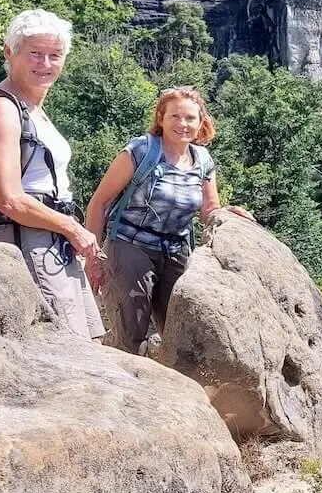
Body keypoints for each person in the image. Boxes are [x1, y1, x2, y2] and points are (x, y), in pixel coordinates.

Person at [0, 9, 106, 341]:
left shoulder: (32, 110)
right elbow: (10, 200)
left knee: (90, 341)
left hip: (50, 237)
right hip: (25, 240)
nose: (45, 63)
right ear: (9, 52)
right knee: (66, 344)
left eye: (54, 55)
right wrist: (73, 228)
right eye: (35, 53)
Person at [85, 86, 251, 354]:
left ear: (201, 123)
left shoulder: (202, 160)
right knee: (130, 337)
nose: (182, 124)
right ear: (161, 118)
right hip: (130, 246)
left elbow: (209, 208)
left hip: (176, 252)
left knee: (180, 336)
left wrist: (227, 214)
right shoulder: (141, 151)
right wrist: (93, 257)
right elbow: (100, 202)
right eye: (175, 116)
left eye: (190, 118)